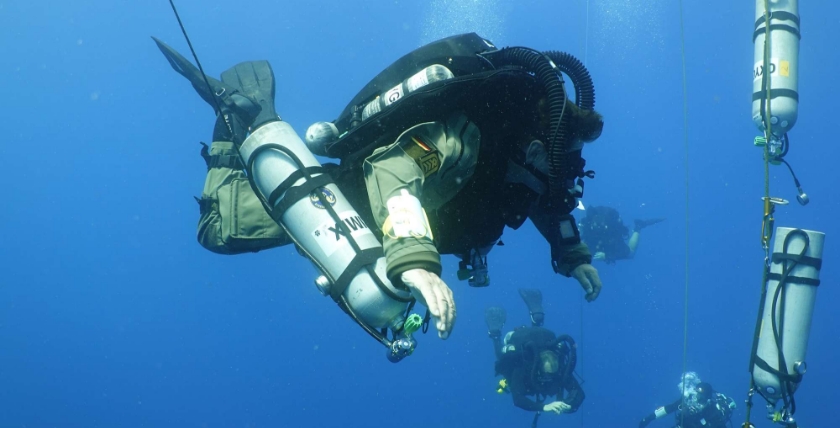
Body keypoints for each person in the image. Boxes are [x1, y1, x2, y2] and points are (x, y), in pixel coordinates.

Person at [154, 32, 604, 355]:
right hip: (352, 201)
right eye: (553, 157)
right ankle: (238, 121)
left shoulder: (537, 162)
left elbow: (548, 198)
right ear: (534, 134)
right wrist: (415, 260)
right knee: (217, 231)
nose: (558, 171)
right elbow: (393, 172)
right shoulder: (462, 138)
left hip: (401, 229)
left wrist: (572, 252)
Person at [485, 288, 584, 421]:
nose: (549, 378)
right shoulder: (523, 365)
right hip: (521, 344)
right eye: (546, 375)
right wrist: (544, 407)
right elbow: (518, 399)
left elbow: (579, 393)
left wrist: (567, 405)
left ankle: (537, 318)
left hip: (539, 340)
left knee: (538, 333)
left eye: (551, 375)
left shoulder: (560, 369)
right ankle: (495, 334)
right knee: (501, 356)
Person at [638, 372, 736, 428]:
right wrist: (649, 418)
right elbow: (670, 408)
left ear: (708, 399)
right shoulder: (688, 401)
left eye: (701, 398)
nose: (697, 400)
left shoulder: (713, 412)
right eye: (697, 395)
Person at [578, 205, 663, 263]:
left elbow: (624, 251)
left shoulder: (612, 230)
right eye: (596, 224)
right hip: (594, 240)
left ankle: (638, 226)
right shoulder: (586, 225)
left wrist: (607, 255)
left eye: (601, 225)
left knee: (631, 254)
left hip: (610, 239)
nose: (598, 227)